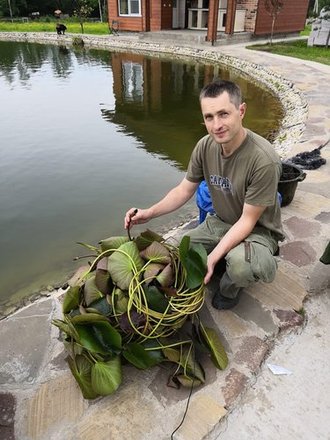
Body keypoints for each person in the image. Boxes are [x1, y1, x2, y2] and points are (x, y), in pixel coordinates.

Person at [124, 79, 285, 310]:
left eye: (223, 114)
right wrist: (149, 213)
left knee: (240, 266)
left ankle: (230, 289)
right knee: (172, 250)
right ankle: (220, 259)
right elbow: (184, 190)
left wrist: (213, 256)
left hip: (258, 230)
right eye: (209, 117)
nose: (216, 124)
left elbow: (248, 220)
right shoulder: (204, 146)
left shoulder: (263, 160)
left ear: (241, 111)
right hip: (221, 222)